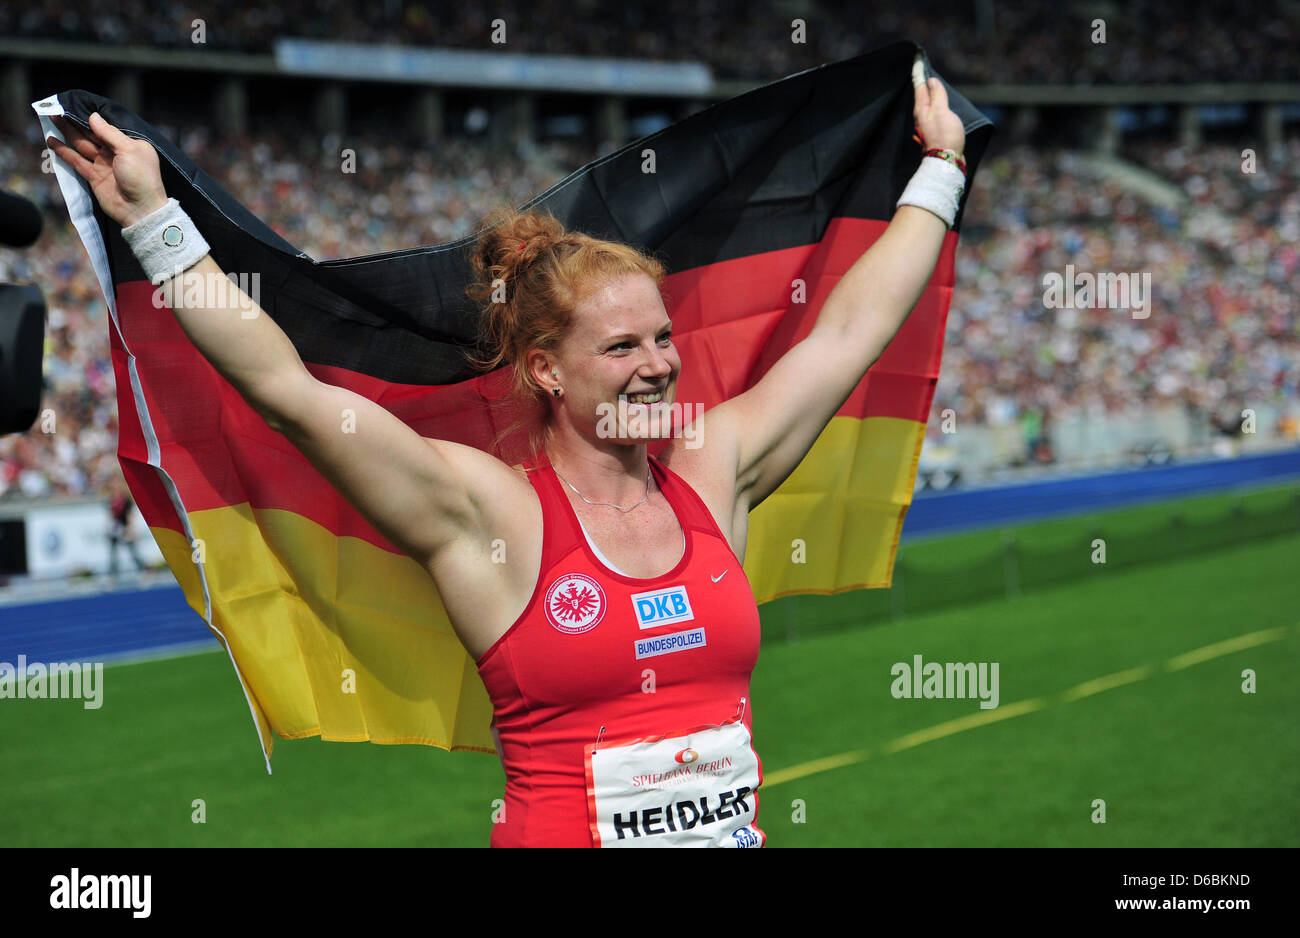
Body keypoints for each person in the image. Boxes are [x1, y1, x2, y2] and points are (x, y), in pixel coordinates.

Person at [45, 67, 966, 847]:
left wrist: (941, 172)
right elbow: (292, 398)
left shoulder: (712, 468)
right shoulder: (490, 514)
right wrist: (157, 223)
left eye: (662, 338)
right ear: (544, 371)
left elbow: (849, 331)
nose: (657, 367)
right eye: (620, 348)